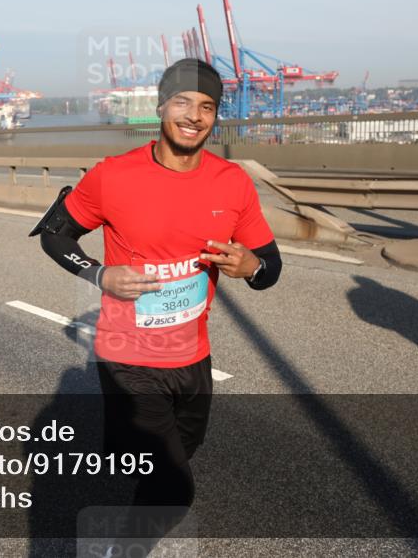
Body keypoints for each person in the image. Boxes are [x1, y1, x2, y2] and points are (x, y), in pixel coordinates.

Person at [36, 58, 283, 550]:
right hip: (129, 358)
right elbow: (53, 235)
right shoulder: (113, 176)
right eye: (184, 102)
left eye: (207, 107)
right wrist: (99, 273)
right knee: (175, 487)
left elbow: (270, 266)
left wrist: (249, 267)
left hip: (193, 358)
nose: (195, 116)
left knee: (173, 461)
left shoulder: (232, 182)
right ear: (161, 107)